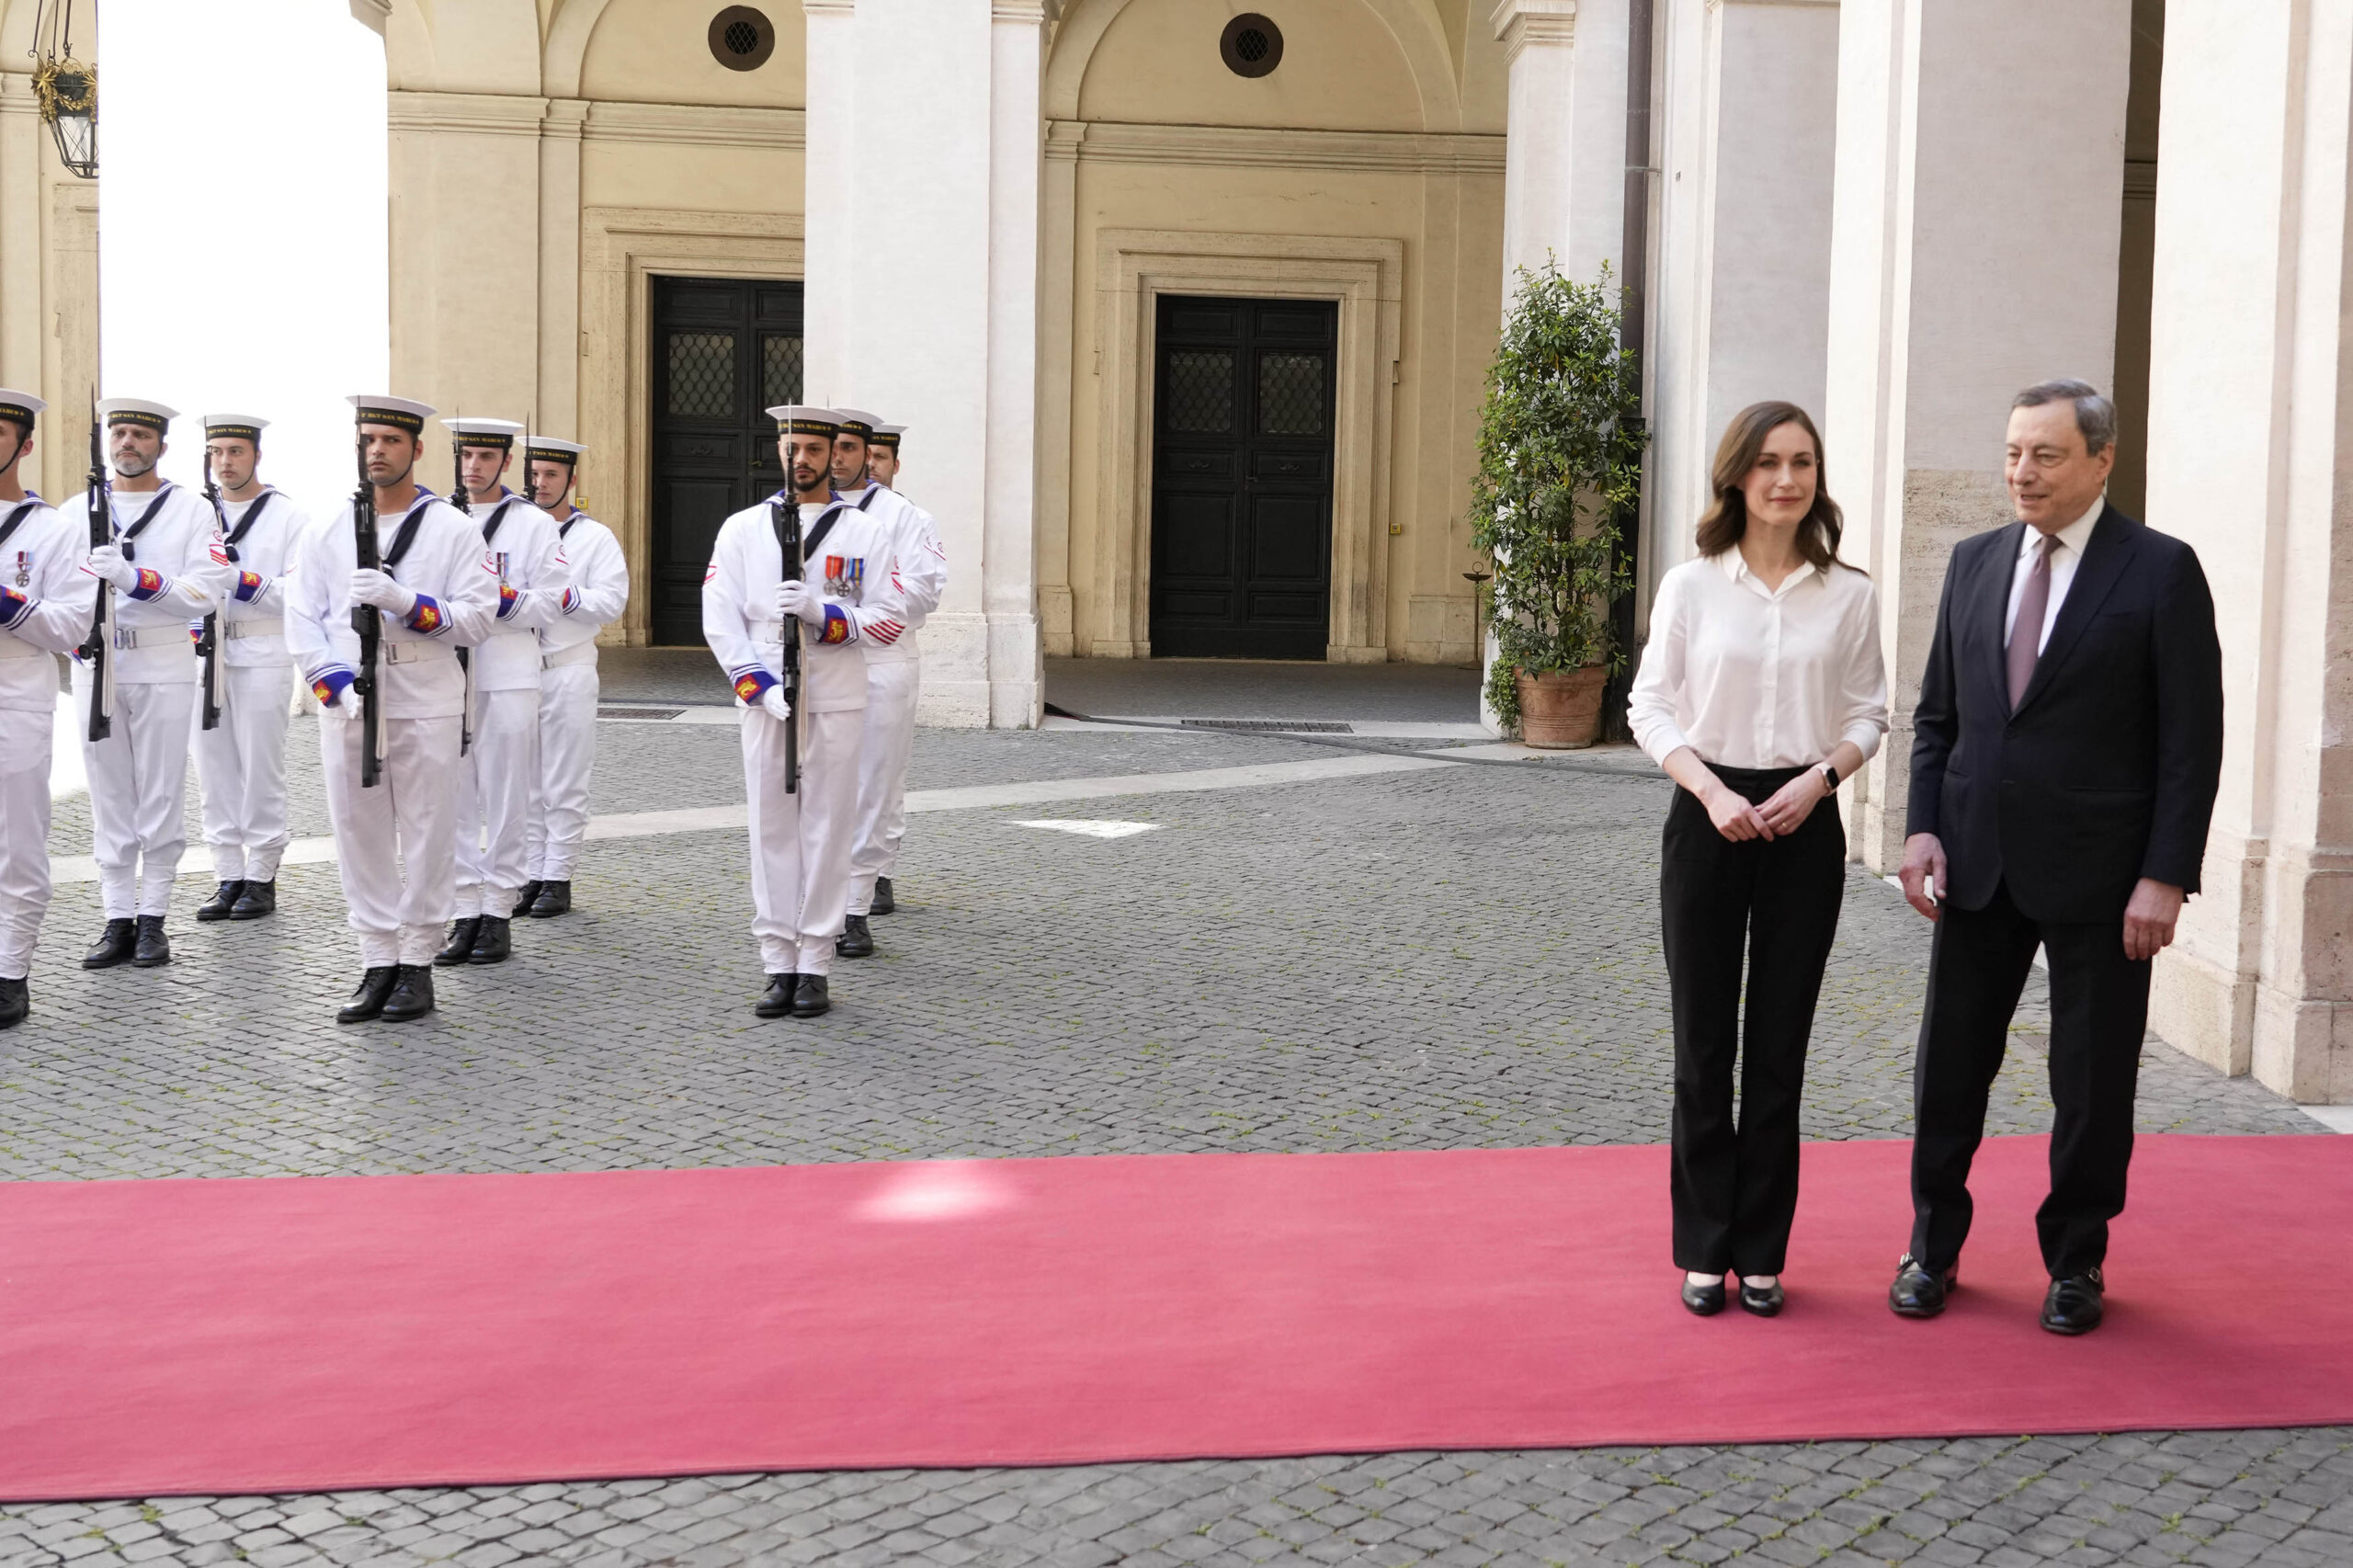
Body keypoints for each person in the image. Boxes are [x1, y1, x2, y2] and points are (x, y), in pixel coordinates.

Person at [1892, 380, 2223, 1335]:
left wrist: (2165, 872)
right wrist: (1921, 827)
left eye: (2042, 454)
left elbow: (2188, 740)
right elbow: (1937, 719)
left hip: (2104, 876)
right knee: (1946, 1067)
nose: (2020, 473)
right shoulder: (1971, 563)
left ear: (2100, 459)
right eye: (2010, 454)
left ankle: (2075, 1260)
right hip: (1976, 862)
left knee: (2089, 1079)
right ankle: (1930, 1245)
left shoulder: (2159, 571)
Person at [1628, 401, 1889, 1319]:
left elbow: (1869, 709)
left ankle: (1763, 1246)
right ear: (1736, 474)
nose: (1787, 478)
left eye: (1803, 462)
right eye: (1769, 461)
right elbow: (1649, 705)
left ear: (1818, 478)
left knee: (1778, 1049)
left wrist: (1822, 778)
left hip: (1802, 820)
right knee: (1704, 1044)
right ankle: (1704, 1245)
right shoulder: (1691, 585)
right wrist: (1708, 790)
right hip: (1707, 815)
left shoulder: (1849, 593)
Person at [287, 395, 497, 1023]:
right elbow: (301, 618)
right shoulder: (325, 528)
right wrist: (330, 683)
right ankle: (377, 956)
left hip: (425, 694)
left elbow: (479, 619)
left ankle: (416, 962)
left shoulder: (453, 529)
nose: (377, 450)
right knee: (358, 831)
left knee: (430, 832)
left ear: (416, 450)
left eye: (390, 440)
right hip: (350, 699)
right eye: (368, 439)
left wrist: (407, 601)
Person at [702, 405, 908, 1018]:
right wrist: (754, 685)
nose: (804, 460)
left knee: (827, 825)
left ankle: (815, 958)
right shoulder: (743, 528)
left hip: (838, 687)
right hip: (769, 690)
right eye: (793, 448)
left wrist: (827, 614)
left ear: (834, 455)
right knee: (771, 824)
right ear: (779, 450)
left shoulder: (864, 532)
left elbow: (891, 618)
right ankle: (777, 958)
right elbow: (720, 617)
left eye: (816, 450)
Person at [57, 399, 233, 970]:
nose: (126, 443)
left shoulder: (190, 511)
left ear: (161, 444)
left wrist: (135, 579)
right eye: (119, 433)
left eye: (138, 434)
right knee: (110, 795)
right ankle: (116, 918)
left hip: (162, 662)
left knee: (159, 792)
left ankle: (154, 917)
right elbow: (56, 599)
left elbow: (206, 592)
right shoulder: (73, 511)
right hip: (97, 663)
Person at [436, 417, 564, 967]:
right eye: (466, 455)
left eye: (486, 457)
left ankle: (498, 908)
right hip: (445, 673)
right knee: (455, 794)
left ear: (505, 463)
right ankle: (464, 904)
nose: (473, 467)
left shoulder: (533, 524)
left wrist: (493, 599)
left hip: (509, 667)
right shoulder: (436, 519)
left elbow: (552, 602)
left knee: (509, 793)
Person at [190, 414, 312, 924]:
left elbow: (297, 594)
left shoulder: (288, 517)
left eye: (235, 451)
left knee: (260, 766)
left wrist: (238, 580)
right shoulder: (192, 513)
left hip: (261, 652)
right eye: (216, 452)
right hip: (201, 650)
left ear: (256, 455)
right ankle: (227, 873)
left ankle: (261, 875)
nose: (225, 462)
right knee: (213, 768)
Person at [0, 390, 97, 1028]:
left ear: (25, 445)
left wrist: (8, 604)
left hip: (14, 691)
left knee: (16, 838)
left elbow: (72, 626)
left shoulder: (53, 532)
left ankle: (10, 969)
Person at [837, 420, 945, 955]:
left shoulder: (907, 518)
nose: (862, 462)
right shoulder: (814, 515)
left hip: (883, 658)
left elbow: (922, 594)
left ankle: (868, 878)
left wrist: (856, 604)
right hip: (826, 659)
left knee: (879, 779)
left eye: (873, 454)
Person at [517, 434, 628, 918]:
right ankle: (529, 873)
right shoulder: (512, 531)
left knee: (564, 777)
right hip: (516, 670)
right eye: (534, 474)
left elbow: (611, 602)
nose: (540, 484)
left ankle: (558, 875)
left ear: (570, 480)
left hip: (567, 667)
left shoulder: (593, 537)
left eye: (550, 476)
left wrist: (558, 595)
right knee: (523, 781)